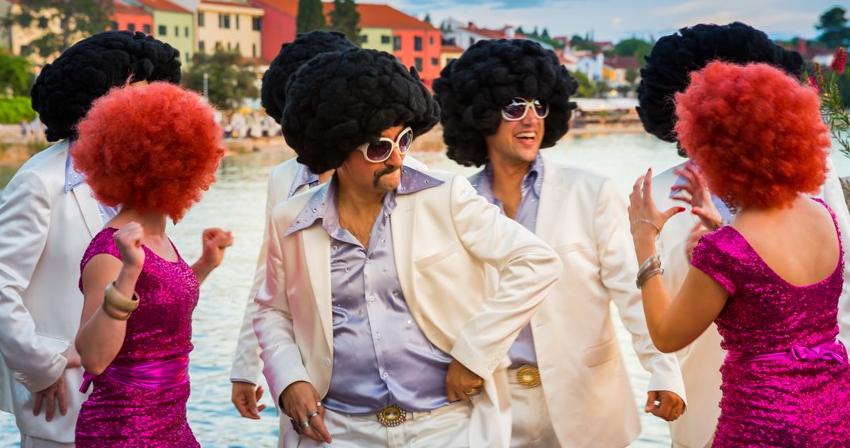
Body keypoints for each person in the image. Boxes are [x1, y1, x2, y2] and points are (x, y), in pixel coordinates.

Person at [253, 47, 562, 447]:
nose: (397, 158)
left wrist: (474, 353)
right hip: (339, 431)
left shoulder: (446, 196)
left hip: (445, 427)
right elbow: (272, 310)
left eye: (404, 139)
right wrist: (289, 378)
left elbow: (537, 262)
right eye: (380, 148)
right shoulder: (290, 219)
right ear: (338, 150)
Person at [433, 39, 686, 448]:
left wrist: (664, 371)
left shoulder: (591, 192)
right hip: (488, 407)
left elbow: (631, 290)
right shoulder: (451, 203)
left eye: (539, 106)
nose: (530, 119)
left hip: (586, 404)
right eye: (514, 107)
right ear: (479, 114)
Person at [635, 22, 850, 448]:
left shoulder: (806, 199)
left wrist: (644, 243)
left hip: (764, 417)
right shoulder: (818, 214)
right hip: (715, 393)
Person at [0, 31, 181, 448]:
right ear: (97, 103)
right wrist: (41, 366)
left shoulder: (139, 184)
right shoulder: (39, 180)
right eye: (136, 99)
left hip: (139, 406)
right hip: (62, 401)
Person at [72, 82, 232, 446]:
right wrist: (128, 271)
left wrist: (204, 265)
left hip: (172, 422)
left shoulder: (156, 236)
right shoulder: (110, 252)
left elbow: (157, 306)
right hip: (124, 430)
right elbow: (94, 358)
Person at [231, 30, 357, 421]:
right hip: (305, 372)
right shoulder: (282, 179)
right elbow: (267, 279)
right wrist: (246, 367)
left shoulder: (391, 170)